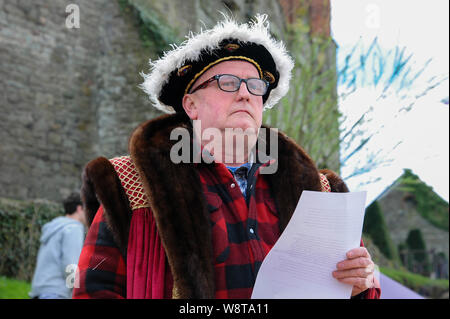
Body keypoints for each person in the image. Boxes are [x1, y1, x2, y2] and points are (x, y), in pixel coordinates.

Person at [73, 14, 380, 299]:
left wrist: (359, 286)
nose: (245, 93)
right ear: (191, 105)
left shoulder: (319, 191)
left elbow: (359, 288)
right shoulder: (132, 185)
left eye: (255, 85)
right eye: (227, 83)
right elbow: (94, 290)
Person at [29, 192, 87, 299]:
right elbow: (70, 264)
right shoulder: (74, 228)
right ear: (79, 209)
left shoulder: (55, 227)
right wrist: (76, 291)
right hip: (56, 292)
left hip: (39, 291)